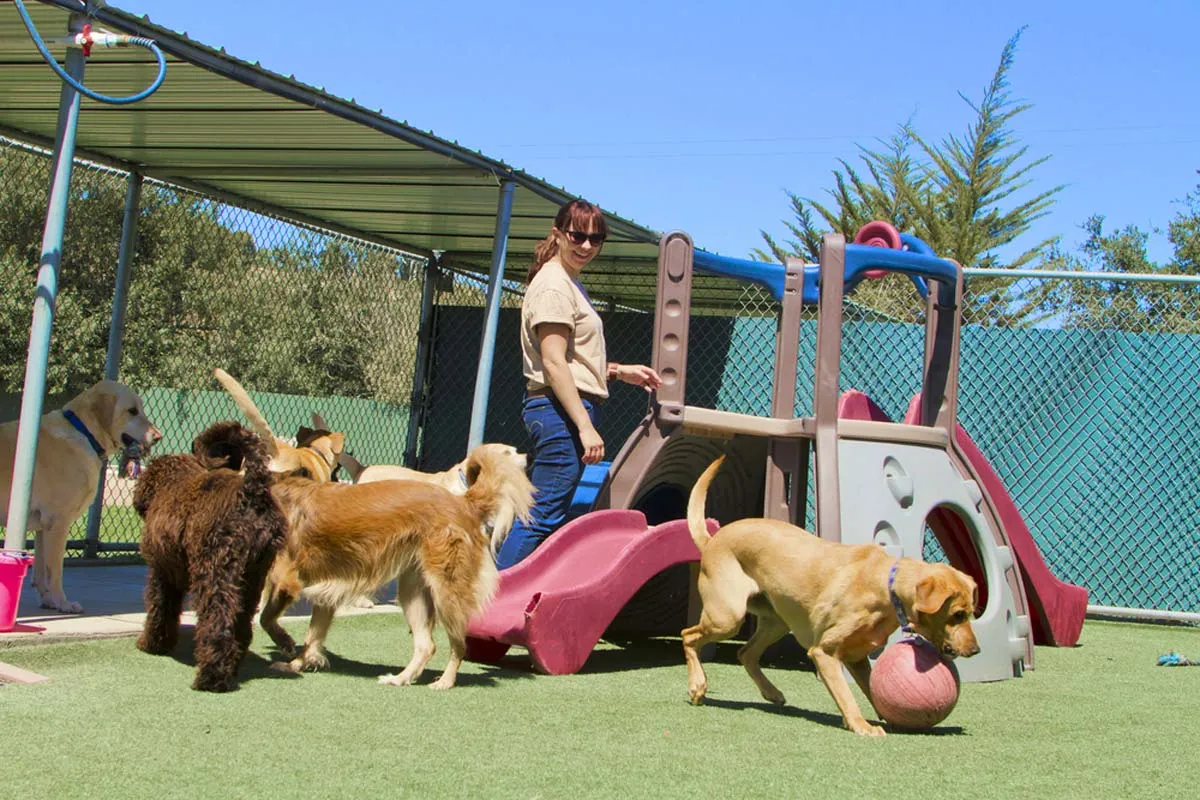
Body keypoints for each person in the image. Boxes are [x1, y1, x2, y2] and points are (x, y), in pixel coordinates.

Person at [495, 199, 662, 569]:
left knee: (543, 516)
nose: (586, 245)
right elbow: (553, 363)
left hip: (562, 410)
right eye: (577, 235)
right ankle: (488, 611)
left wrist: (619, 372)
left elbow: (570, 361)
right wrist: (585, 428)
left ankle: (501, 606)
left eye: (596, 238)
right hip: (559, 414)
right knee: (541, 518)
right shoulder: (554, 286)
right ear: (558, 234)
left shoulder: (568, 281)